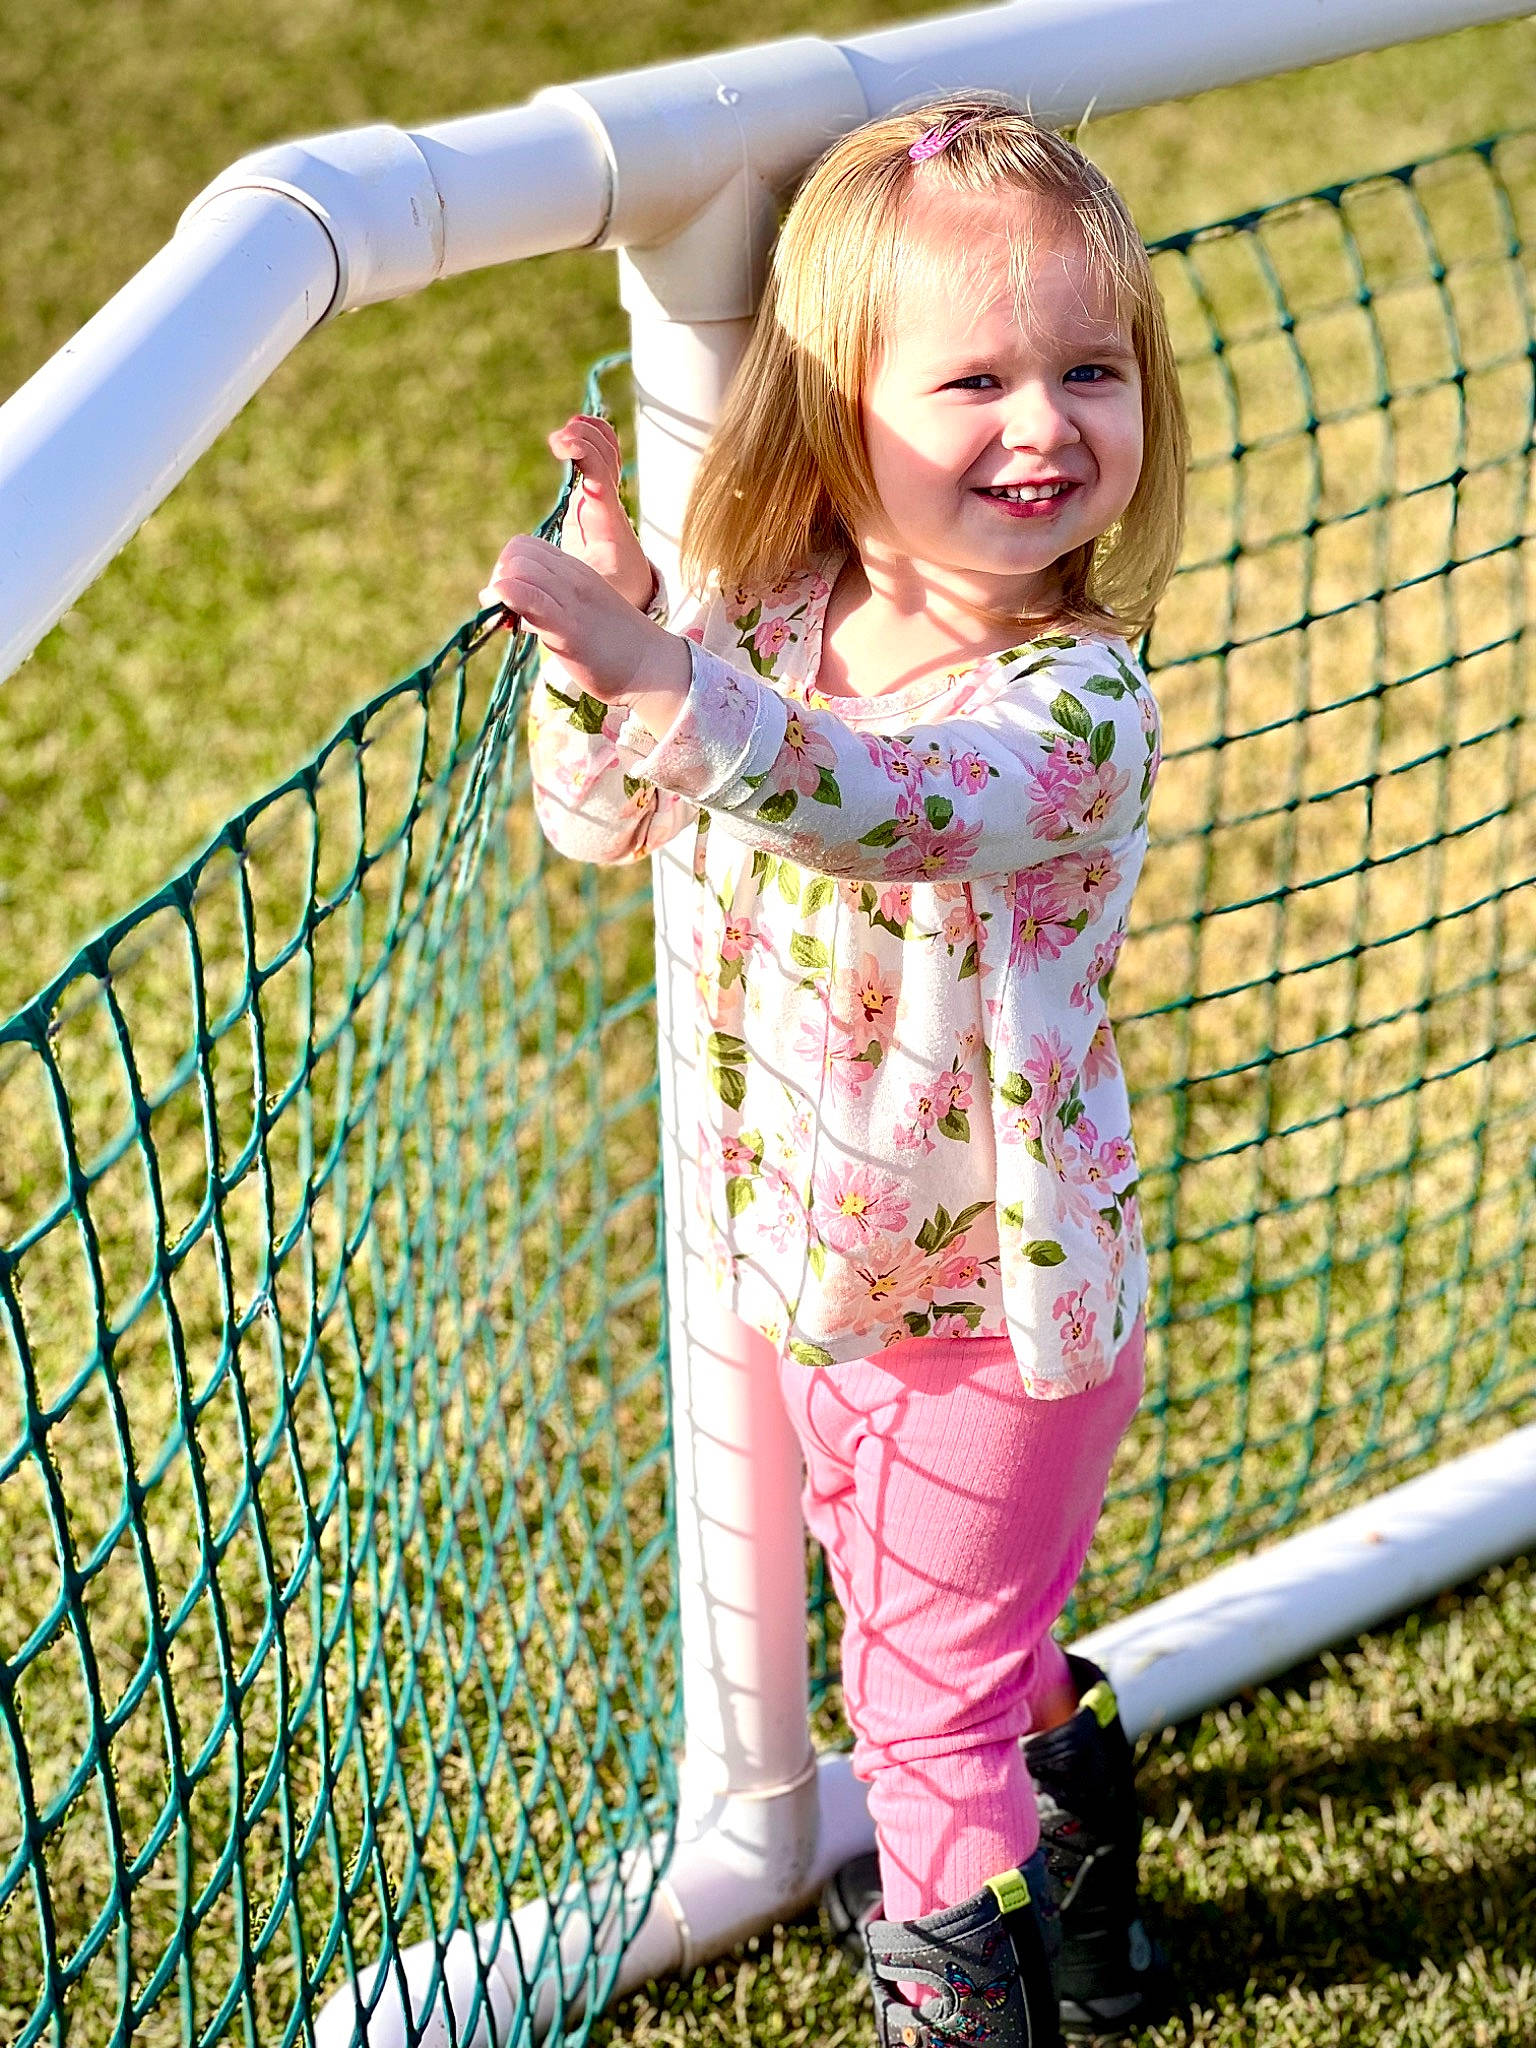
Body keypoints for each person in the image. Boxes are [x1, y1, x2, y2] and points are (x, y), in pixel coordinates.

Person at [484, 95, 1188, 2048]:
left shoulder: (1069, 703)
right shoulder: (779, 620)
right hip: (819, 1267)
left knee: (919, 1692)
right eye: (975, 376)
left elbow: (871, 798)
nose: (1046, 422)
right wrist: (608, 653)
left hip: (995, 1306)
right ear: (834, 401)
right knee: (952, 1635)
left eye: (1091, 371)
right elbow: (599, 816)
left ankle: (960, 1988)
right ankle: (1091, 1889)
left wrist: (667, 670)